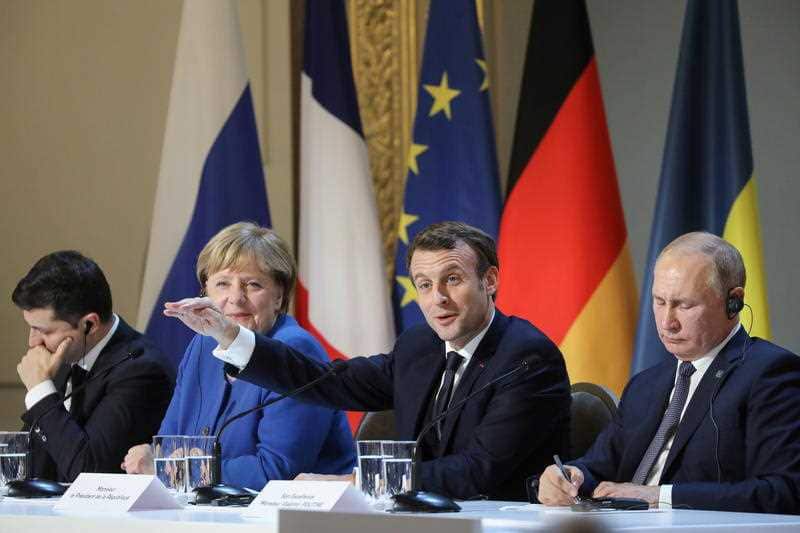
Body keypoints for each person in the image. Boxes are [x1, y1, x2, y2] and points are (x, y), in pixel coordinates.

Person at [164, 221, 571, 501]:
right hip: (423, 517)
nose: (437, 299)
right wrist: (230, 336)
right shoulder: (420, 346)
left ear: (490, 281)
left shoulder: (527, 358)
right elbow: (326, 382)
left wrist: (361, 481)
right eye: (425, 285)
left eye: (453, 280)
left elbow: (477, 470)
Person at [536, 232, 800, 514]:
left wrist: (658, 496)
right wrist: (567, 476)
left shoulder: (770, 375)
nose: (667, 322)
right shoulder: (645, 385)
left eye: (684, 305)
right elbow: (599, 466)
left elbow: (784, 491)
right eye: (659, 301)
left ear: (733, 302)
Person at [122, 222, 355, 490]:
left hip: (296, 519)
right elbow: (169, 443)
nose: (236, 298)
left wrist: (181, 469)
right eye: (222, 284)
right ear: (205, 292)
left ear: (279, 297)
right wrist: (154, 456)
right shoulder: (202, 346)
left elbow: (277, 471)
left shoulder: (296, 350)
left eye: (253, 285)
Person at [12, 251, 173, 482]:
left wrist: (40, 391)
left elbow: (90, 473)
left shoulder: (141, 370)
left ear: (89, 324)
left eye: (44, 330)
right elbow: (30, 467)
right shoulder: (63, 355)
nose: (32, 342)